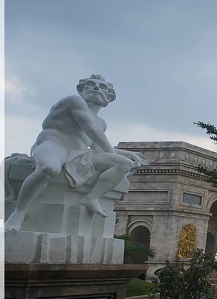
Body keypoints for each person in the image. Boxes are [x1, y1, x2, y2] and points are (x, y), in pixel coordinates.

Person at [5, 74, 148, 231]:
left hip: (78, 154)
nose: (96, 88)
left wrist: (126, 154)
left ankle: (91, 198)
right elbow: (91, 130)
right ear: (81, 90)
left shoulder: (101, 123)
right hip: (53, 145)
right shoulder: (74, 101)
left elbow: (97, 148)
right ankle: (19, 212)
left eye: (102, 87)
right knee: (49, 168)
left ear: (108, 98)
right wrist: (113, 153)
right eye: (91, 84)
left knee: (123, 164)